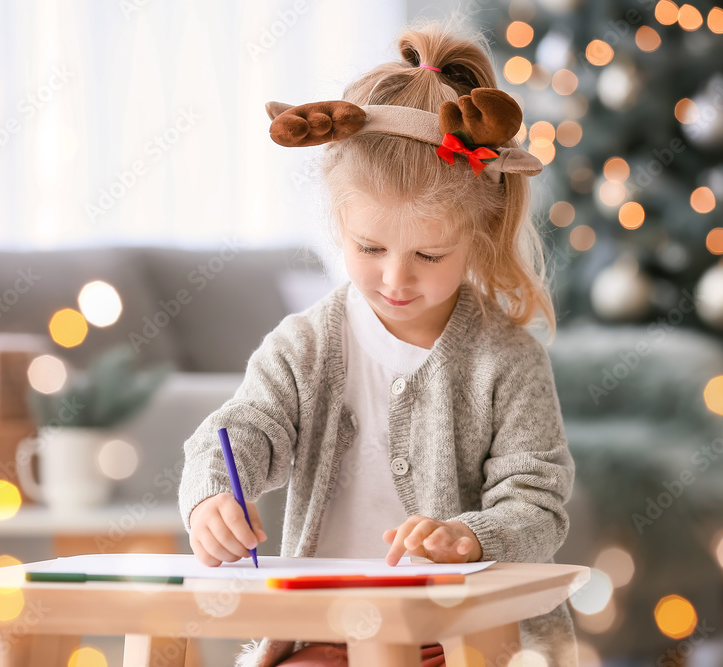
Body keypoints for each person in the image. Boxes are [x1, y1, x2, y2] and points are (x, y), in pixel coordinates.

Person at [178, 17, 578, 667]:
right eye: (370, 247)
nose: (396, 277)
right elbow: (242, 428)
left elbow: (536, 506)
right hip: (325, 636)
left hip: (460, 637)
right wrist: (214, 494)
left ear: (477, 234)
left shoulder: (508, 360)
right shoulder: (304, 346)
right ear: (338, 225)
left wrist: (469, 537)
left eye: (428, 252)